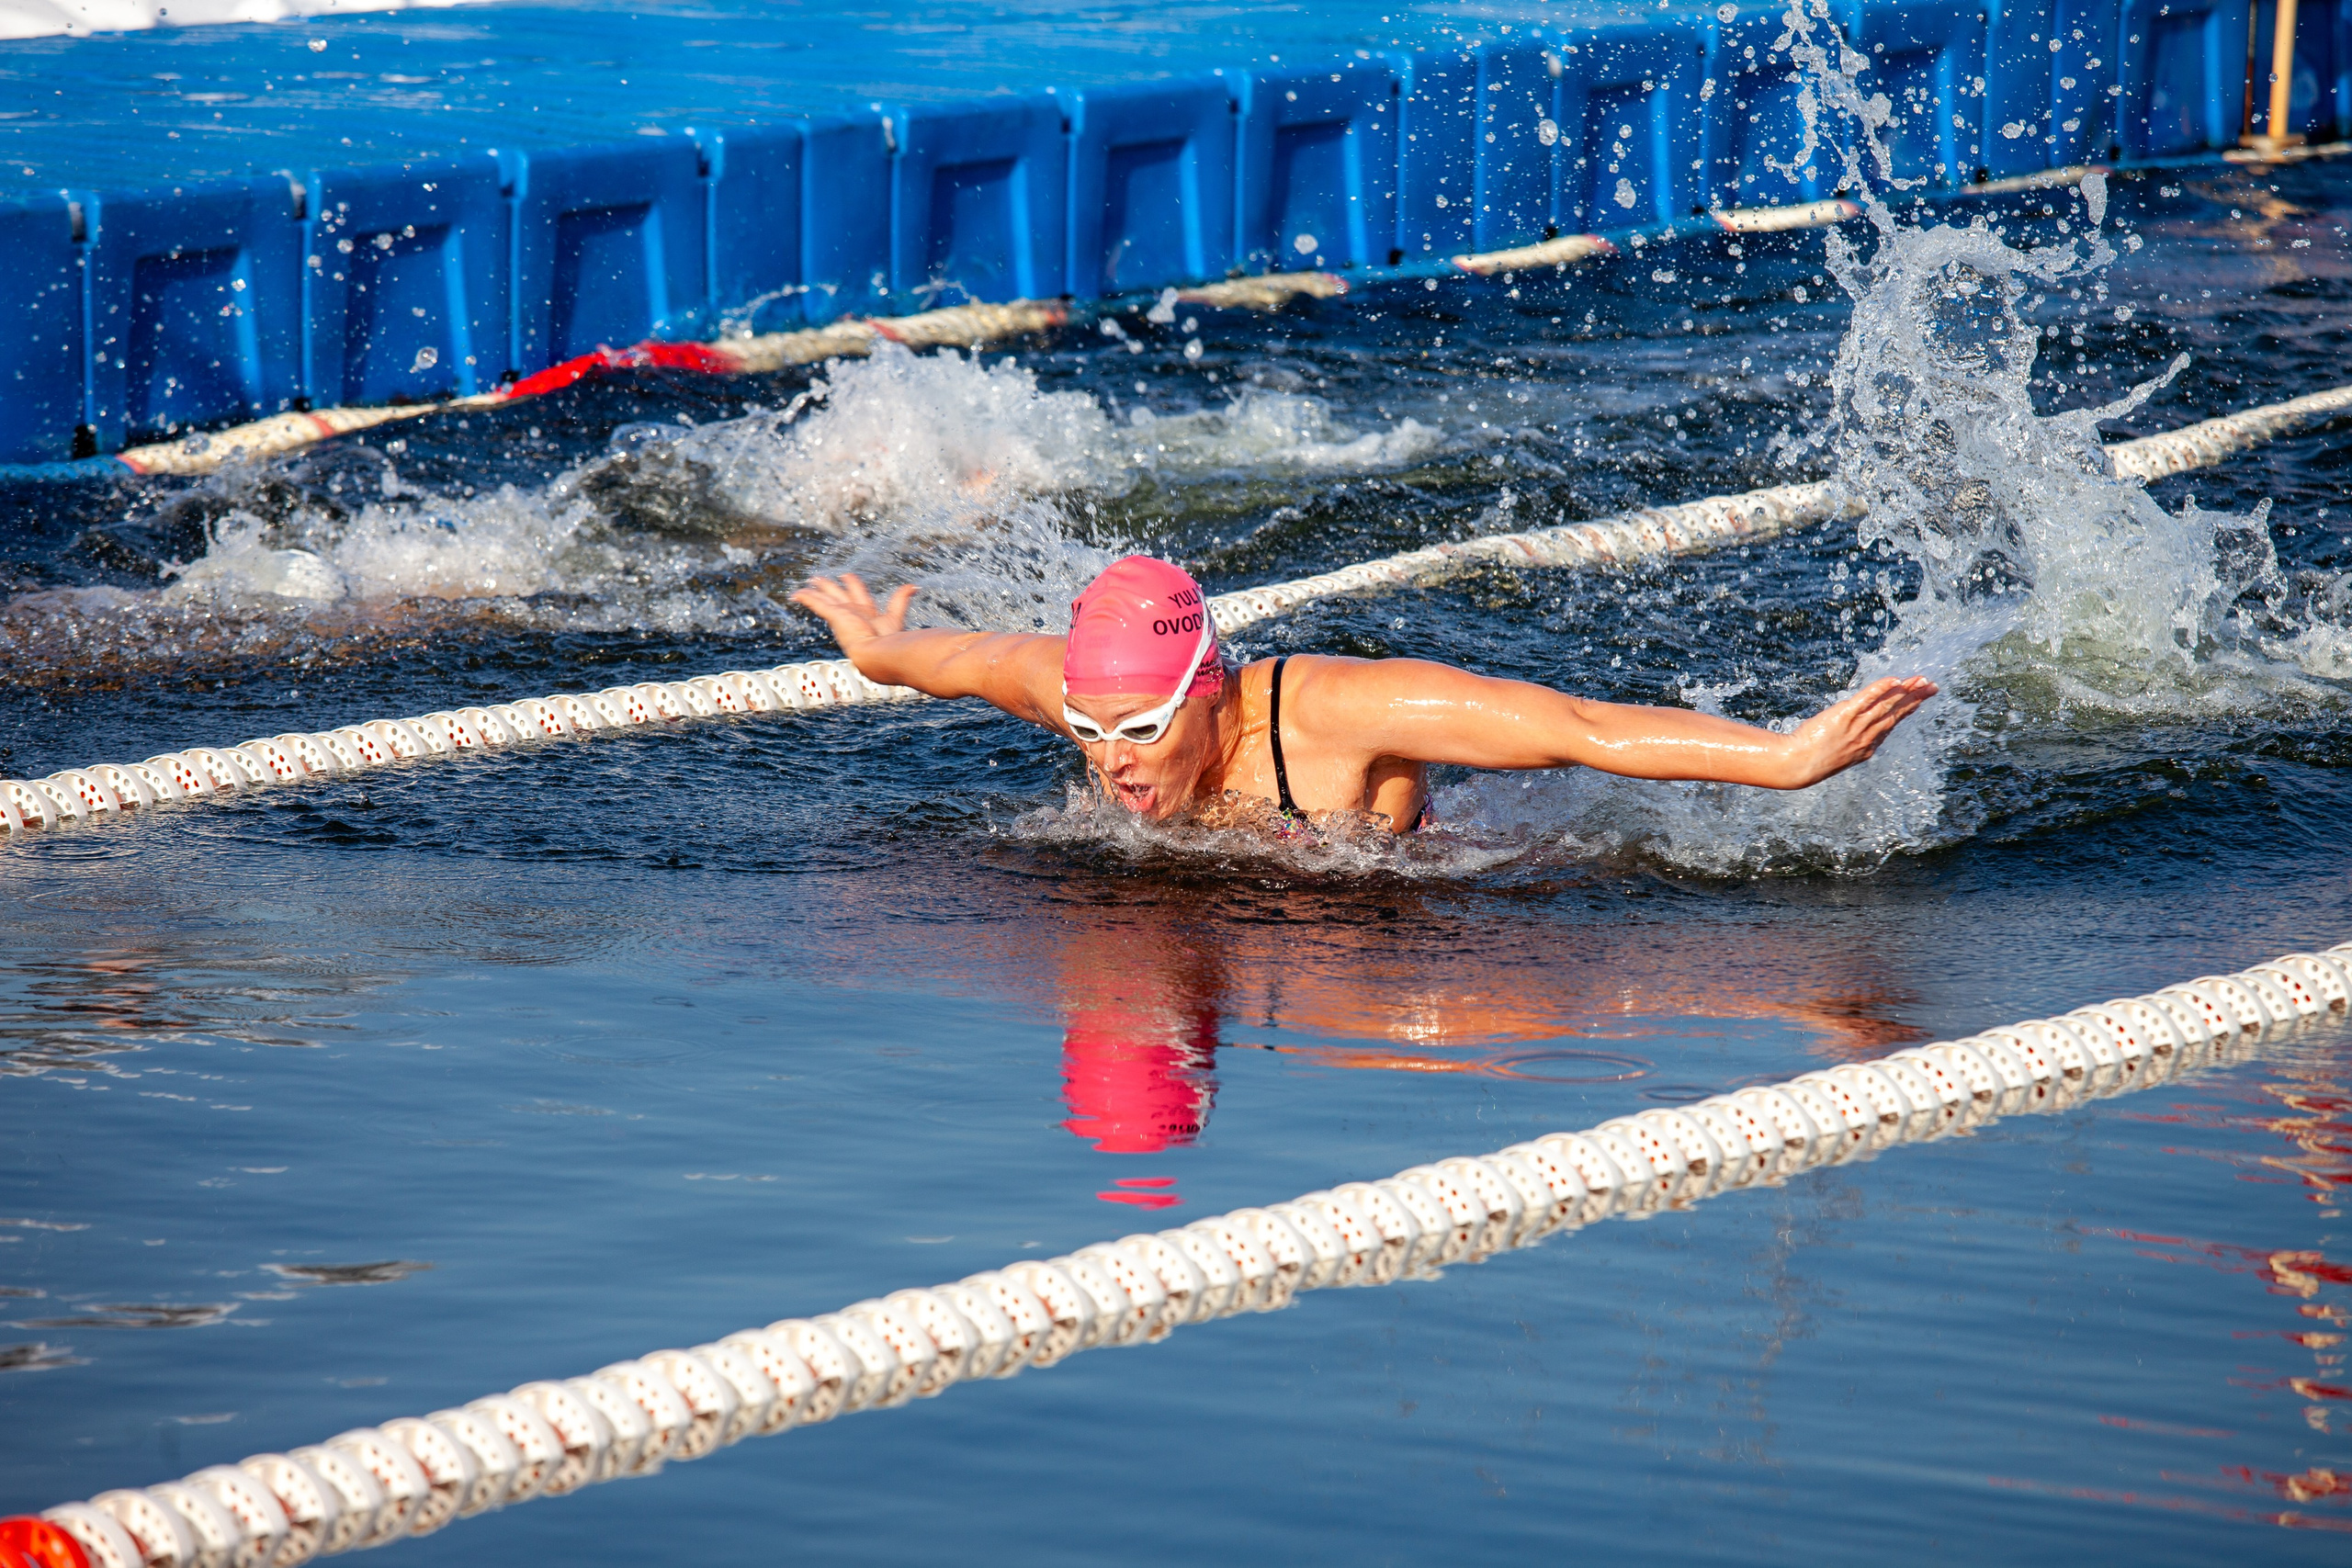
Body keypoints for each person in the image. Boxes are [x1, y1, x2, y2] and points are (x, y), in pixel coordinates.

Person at [790, 554, 1938, 836]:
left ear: (1210, 694)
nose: (1112, 760)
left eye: (1139, 729)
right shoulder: (1077, 694)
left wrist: (1785, 758)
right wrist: (870, 645)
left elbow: (1577, 731)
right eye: (1087, 732)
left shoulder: (1339, 715)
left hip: (1423, 867)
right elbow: (944, 663)